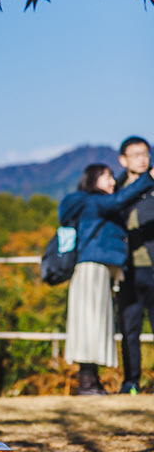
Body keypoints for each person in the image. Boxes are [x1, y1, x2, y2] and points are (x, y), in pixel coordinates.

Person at [59, 163, 154, 395]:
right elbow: (120, 200)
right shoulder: (94, 201)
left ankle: (90, 381)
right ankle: (88, 382)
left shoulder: (94, 203)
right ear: (93, 181)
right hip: (93, 269)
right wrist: (148, 177)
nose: (112, 181)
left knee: (95, 322)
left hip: (100, 270)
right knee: (90, 323)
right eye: (107, 177)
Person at [115, 136, 154, 395]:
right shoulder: (115, 189)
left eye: (146, 154)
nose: (142, 158)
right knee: (129, 329)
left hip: (152, 267)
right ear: (123, 159)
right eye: (136, 154)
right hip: (126, 269)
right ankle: (131, 382)